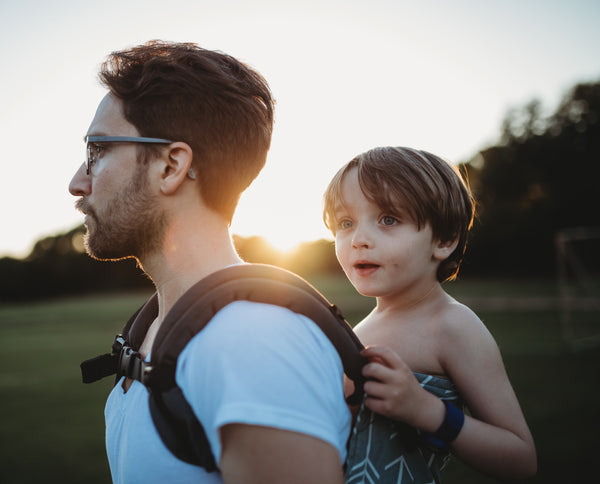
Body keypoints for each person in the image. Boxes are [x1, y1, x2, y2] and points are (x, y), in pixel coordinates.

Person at [69, 40, 350, 484]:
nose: (76, 182)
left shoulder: (251, 345)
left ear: (171, 166)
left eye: (97, 150)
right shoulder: (156, 330)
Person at [323, 147, 537, 482]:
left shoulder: (451, 325)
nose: (359, 240)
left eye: (388, 219)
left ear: (444, 239)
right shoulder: (358, 331)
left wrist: (428, 412)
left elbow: (521, 459)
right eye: (345, 223)